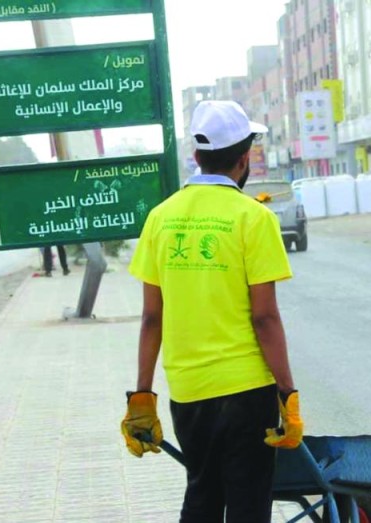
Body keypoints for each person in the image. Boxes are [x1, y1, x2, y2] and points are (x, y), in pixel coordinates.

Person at [121, 100, 303, 522]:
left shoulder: (160, 218)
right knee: (248, 505)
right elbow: (265, 317)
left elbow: (152, 317)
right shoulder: (253, 218)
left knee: (202, 493)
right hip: (246, 391)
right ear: (244, 158)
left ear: (197, 157)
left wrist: (143, 396)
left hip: (189, 392)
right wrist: (287, 393)